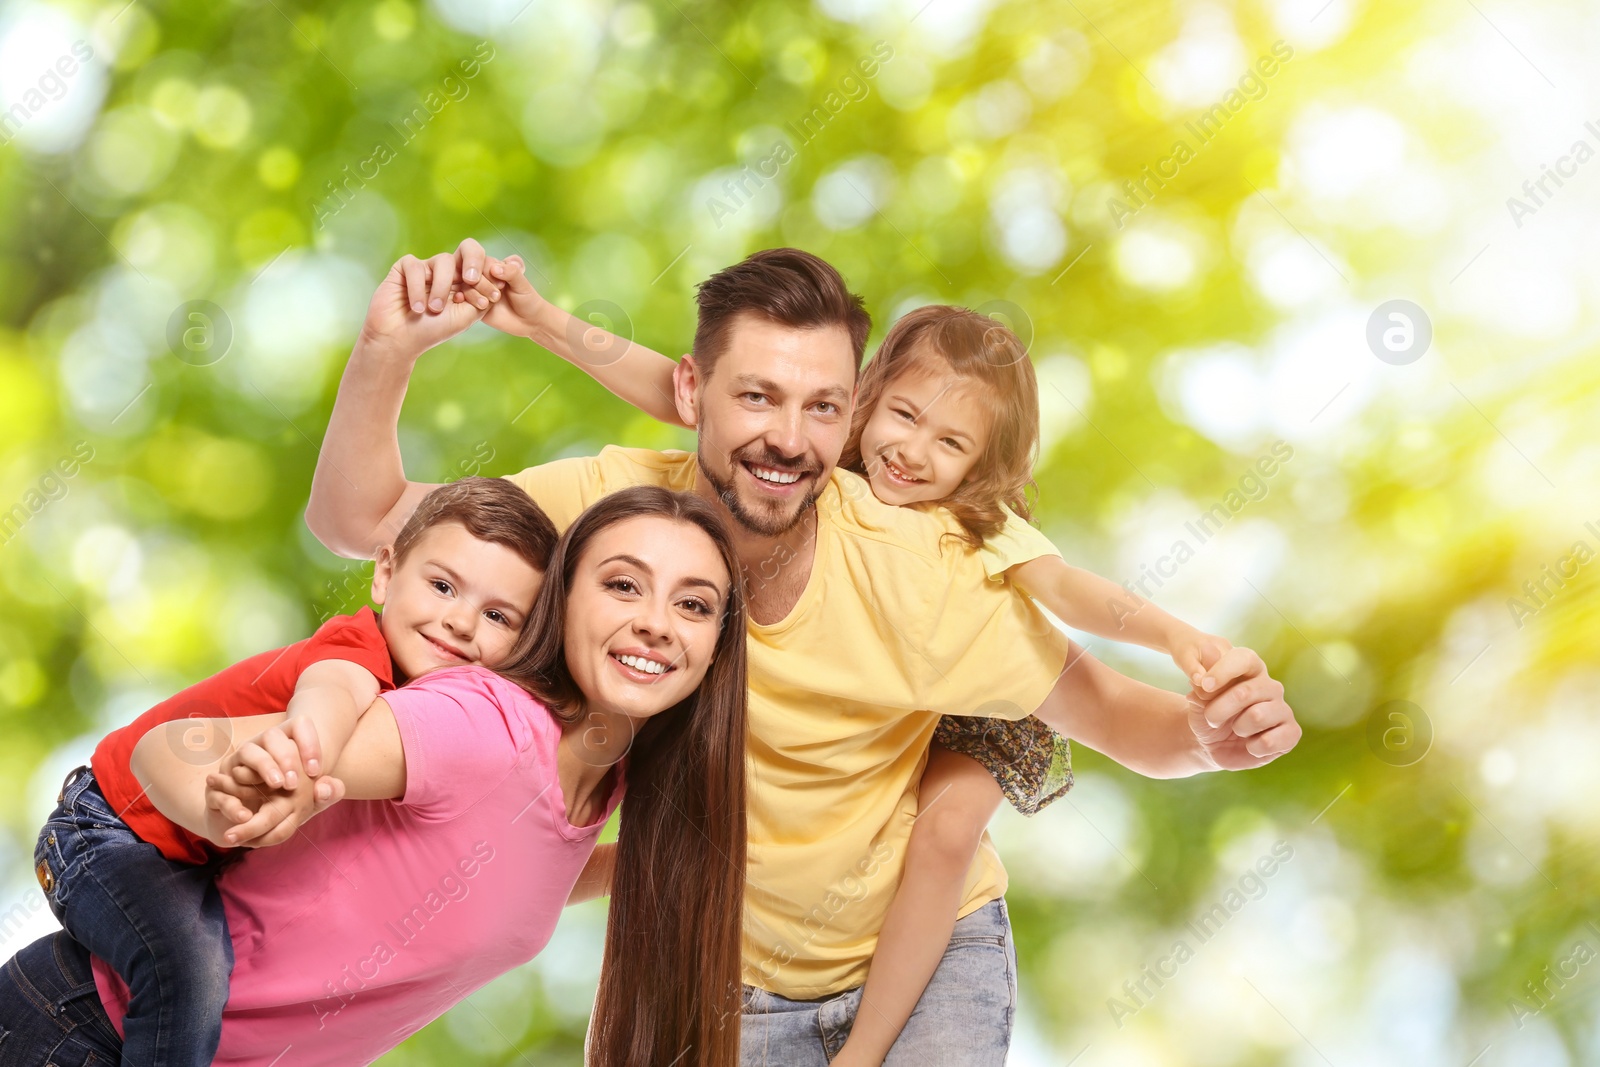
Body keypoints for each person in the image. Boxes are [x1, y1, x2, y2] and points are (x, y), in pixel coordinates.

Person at [304, 239, 1301, 1065]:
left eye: (821, 406)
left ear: (847, 413)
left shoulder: (923, 571)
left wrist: (1221, 734)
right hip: (728, 980)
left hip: (926, 961)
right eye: (757, 399)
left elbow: (1131, 722)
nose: (788, 439)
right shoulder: (612, 517)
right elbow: (362, 522)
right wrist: (385, 350)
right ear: (693, 391)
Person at [0, 485, 750, 1067]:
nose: (657, 621)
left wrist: (696, 862)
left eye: (693, 603)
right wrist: (256, 789)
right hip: (82, 1031)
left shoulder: (605, 782)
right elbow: (175, 749)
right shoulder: (478, 721)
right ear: (563, 605)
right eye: (624, 585)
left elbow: (513, 858)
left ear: (717, 645)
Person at [27, 476, 555, 1067]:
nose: (461, 622)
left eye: (499, 617)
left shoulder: (439, 722)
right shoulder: (357, 652)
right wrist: (307, 755)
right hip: (105, 828)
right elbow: (329, 697)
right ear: (385, 573)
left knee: (203, 960)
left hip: (179, 859)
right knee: (186, 968)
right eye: (442, 586)